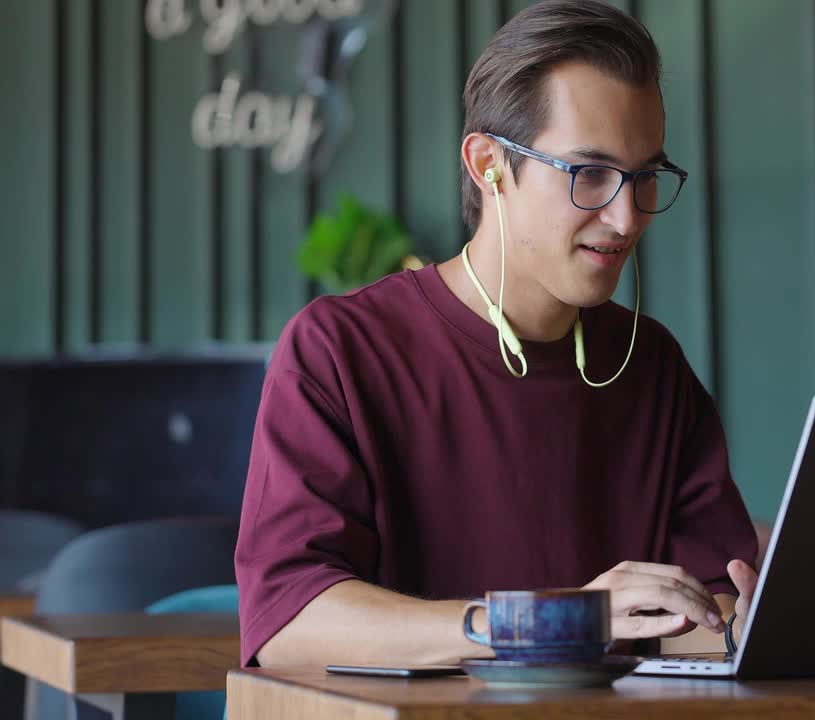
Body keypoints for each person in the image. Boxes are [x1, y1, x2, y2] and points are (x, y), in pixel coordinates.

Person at [235, 0, 758, 668]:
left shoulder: (652, 366)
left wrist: (745, 628)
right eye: (589, 174)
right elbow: (287, 626)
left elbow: (707, 616)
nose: (627, 217)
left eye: (645, 176)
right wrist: (551, 623)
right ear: (489, 165)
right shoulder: (341, 350)